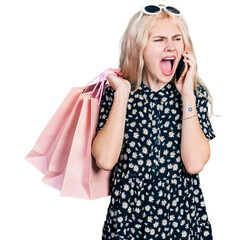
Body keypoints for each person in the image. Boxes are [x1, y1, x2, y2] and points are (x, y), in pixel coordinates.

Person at [92, 4, 216, 240]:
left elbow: (194, 164)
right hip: (128, 222)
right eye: (159, 39)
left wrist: (187, 95)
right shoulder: (117, 94)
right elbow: (105, 160)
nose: (171, 46)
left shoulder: (192, 95)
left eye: (177, 38)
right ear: (139, 47)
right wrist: (121, 95)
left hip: (182, 221)